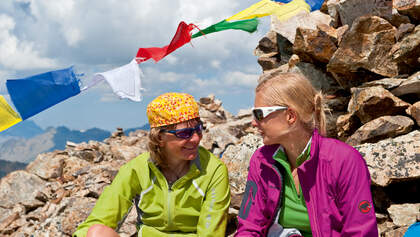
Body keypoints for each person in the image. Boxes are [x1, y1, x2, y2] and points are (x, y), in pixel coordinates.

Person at [235, 73, 378, 236]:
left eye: (259, 114)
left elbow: (361, 232)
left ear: (290, 116)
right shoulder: (261, 161)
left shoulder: (344, 161)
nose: (253, 122)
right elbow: (249, 226)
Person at [73, 92, 231, 237]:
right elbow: (98, 221)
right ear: (160, 138)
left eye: (198, 129)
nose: (196, 138)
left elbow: (210, 234)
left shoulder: (213, 170)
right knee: (96, 233)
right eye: (184, 133)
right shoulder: (138, 169)